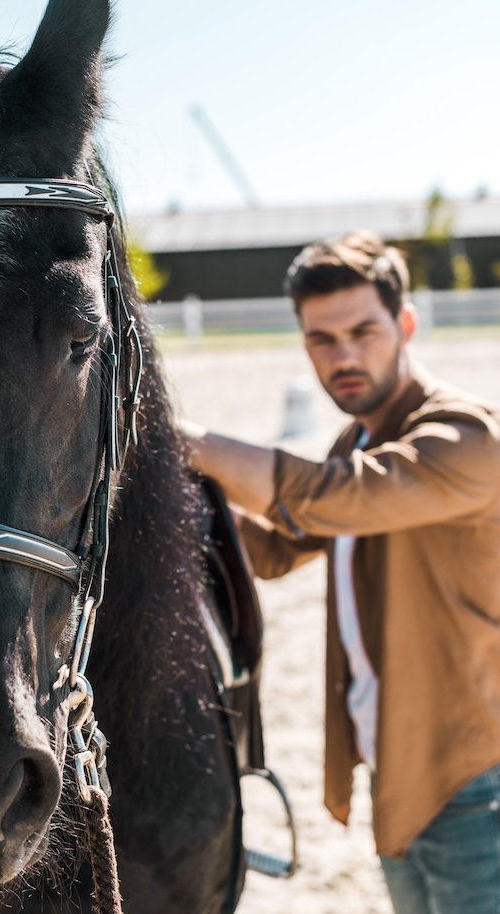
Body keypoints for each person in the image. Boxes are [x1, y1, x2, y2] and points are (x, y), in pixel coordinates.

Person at [185, 230, 500, 914]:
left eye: (364, 330)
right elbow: (273, 549)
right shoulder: (357, 441)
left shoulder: (467, 440)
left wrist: (177, 440)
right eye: (321, 339)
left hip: (476, 781)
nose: (344, 356)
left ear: (405, 324)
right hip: (397, 767)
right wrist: (172, 492)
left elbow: (333, 497)